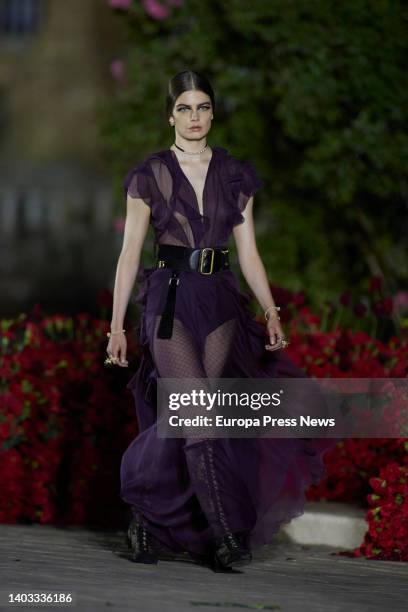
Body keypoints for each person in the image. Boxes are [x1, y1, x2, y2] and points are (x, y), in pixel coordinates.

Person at [106, 70, 338, 572]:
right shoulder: (149, 174)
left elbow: (249, 252)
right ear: (170, 115)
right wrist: (117, 326)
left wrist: (271, 310)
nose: (195, 117)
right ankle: (227, 536)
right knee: (198, 417)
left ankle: (146, 522)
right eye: (185, 108)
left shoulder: (235, 174)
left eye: (204, 107)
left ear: (214, 113)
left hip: (220, 303)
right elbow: (129, 255)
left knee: (197, 417)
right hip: (169, 304)